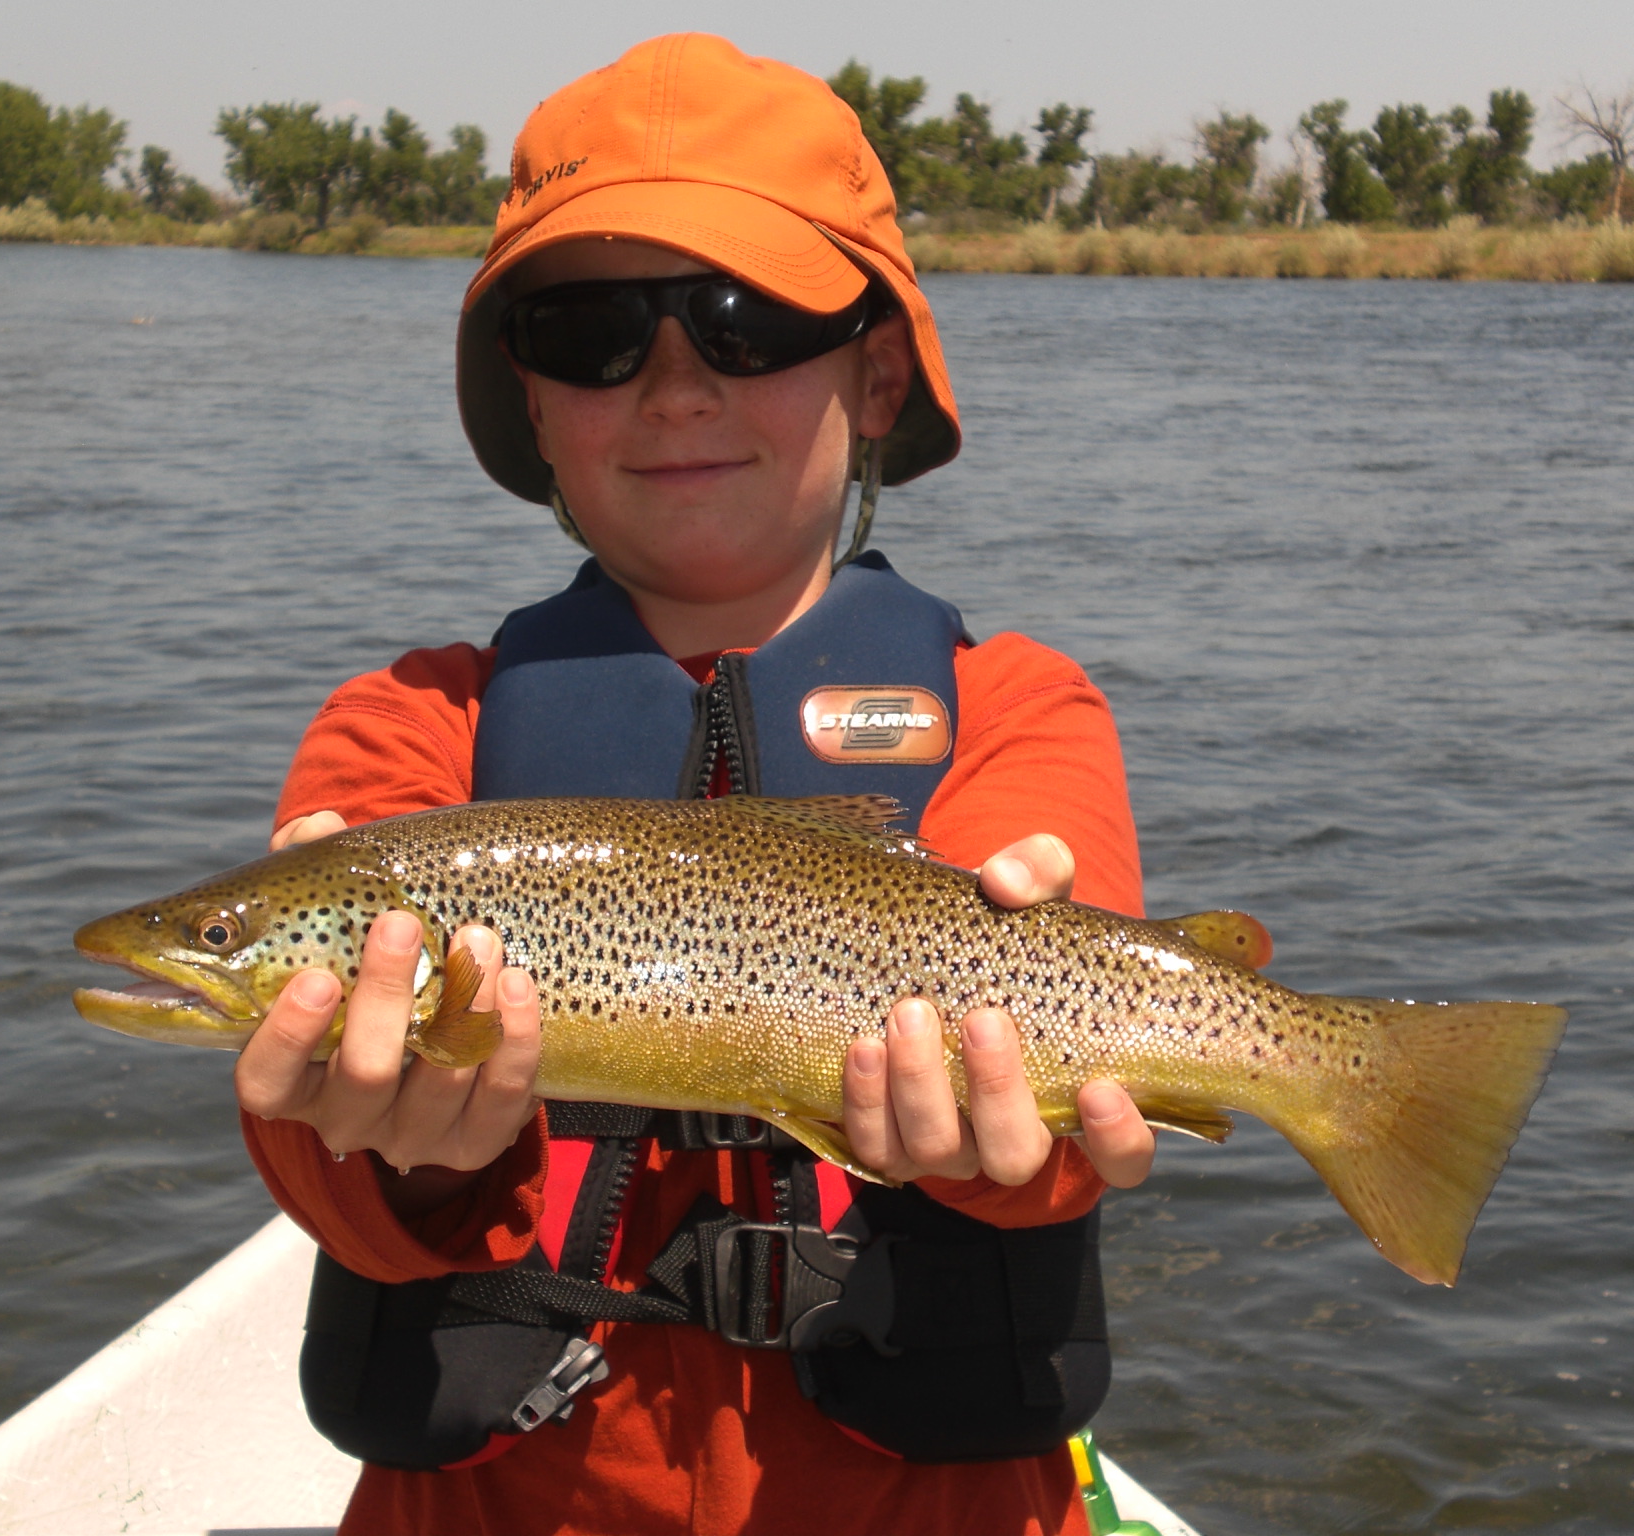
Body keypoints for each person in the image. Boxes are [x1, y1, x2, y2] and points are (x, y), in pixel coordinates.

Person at [233, 33, 1156, 1536]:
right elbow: (316, 1160)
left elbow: (1055, 1154)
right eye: (592, 330)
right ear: (529, 397)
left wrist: (1021, 1153)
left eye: (745, 318)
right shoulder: (410, 732)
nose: (672, 387)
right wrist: (371, 1144)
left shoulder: (1019, 711)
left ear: (875, 372)